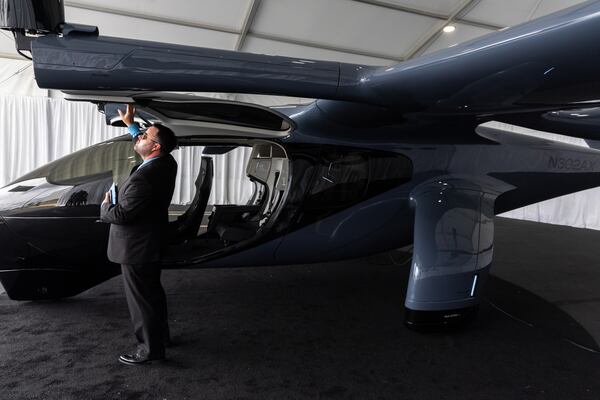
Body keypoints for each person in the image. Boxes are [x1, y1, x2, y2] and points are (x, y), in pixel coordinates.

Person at [100, 104, 178, 366]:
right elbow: (147, 143)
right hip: (150, 241)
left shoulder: (146, 177)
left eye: (145, 135)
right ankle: (161, 338)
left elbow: (121, 215)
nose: (141, 136)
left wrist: (106, 206)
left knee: (141, 301)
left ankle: (149, 350)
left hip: (136, 247)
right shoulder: (166, 161)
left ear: (155, 147)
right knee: (152, 294)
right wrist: (131, 125)